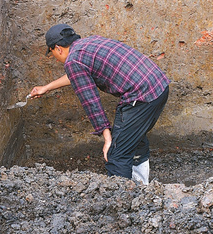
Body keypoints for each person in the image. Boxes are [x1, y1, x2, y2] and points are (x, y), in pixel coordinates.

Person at [30, 24, 170, 184]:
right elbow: (77, 74)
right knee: (133, 139)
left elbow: (91, 102)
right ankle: (141, 187)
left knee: (117, 155)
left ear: (58, 48)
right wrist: (46, 88)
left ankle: (123, 201)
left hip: (141, 96)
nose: (55, 57)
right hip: (158, 86)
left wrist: (107, 137)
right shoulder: (89, 43)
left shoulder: (73, 61)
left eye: (52, 53)